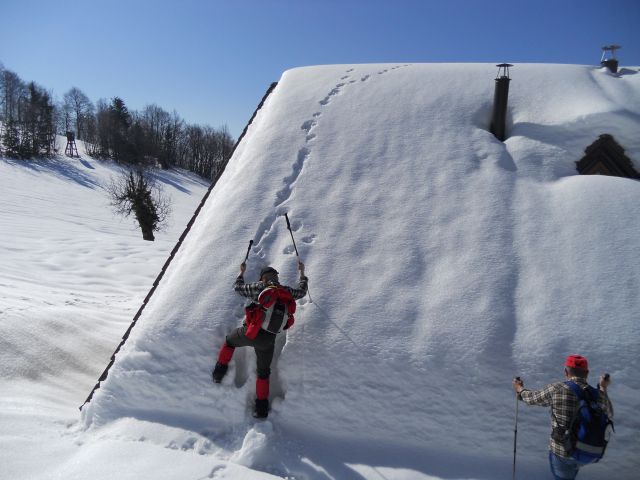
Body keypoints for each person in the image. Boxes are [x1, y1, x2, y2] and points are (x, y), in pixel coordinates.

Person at [212, 261, 308, 418]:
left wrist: (241, 272)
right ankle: (261, 408)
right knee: (263, 373)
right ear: (276, 277)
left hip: (250, 333)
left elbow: (238, 288)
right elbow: (302, 292)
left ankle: (219, 373)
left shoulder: (258, 287)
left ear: (263, 278)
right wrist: (302, 274)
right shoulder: (286, 292)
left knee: (230, 341)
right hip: (268, 340)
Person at [512, 354, 613, 480]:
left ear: (566, 372)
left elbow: (531, 398)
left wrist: (519, 389)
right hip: (590, 452)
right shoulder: (597, 395)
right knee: (575, 463)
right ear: (587, 373)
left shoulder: (557, 389)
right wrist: (603, 387)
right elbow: (609, 414)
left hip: (562, 452)